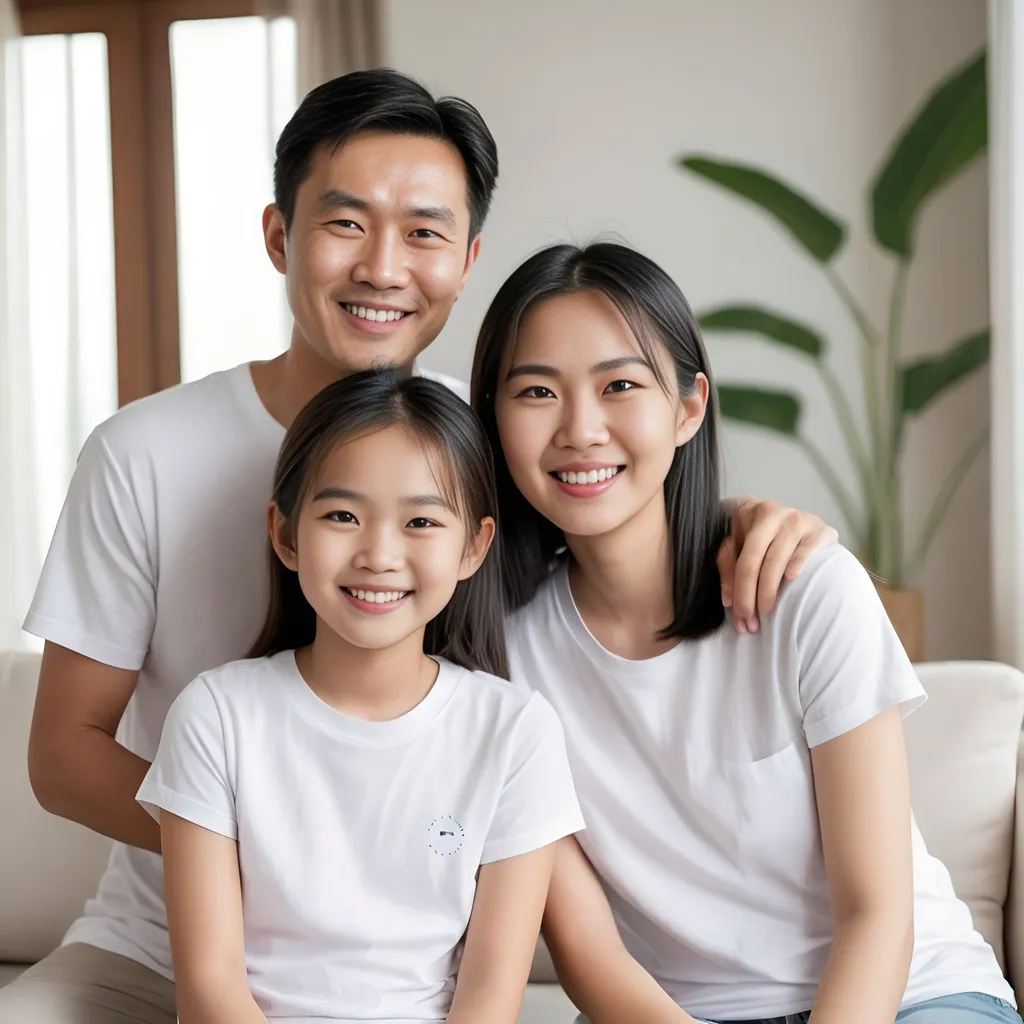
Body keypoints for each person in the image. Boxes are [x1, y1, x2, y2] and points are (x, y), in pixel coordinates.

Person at [5, 68, 832, 1023]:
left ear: (469, 257)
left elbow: (623, 496)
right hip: (157, 949)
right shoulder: (142, 451)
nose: (385, 268)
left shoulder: (485, 443)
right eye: (346, 223)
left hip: (411, 972)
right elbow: (63, 755)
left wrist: (751, 520)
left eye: (425, 232)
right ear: (280, 236)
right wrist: (277, 856)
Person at [470, 241, 1021, 1024]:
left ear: (689, 407)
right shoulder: (500, 659)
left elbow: (876, 916)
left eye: (620, 384)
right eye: (535, 393)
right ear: (492, 416)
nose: (581, 429)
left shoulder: (807, 589)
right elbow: (591, 957)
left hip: (909, 997)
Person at [138, 370, 582, 1024]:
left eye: (421, 521)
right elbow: (209, 988)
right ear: (286, 535)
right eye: (343, 515)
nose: (378, 554)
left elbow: (488, 999)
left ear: (474, 546)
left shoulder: (515, 731)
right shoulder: (218, 716)